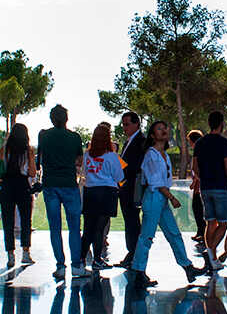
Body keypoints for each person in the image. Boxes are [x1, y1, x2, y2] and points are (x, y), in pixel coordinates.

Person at [130, 120, 204, 288]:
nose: (163, 131)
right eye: (158, 128)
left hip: (161, 199)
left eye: (165, 128)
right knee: (147, 236)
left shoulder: (165, 155)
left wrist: (167, 197)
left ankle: (187, 267)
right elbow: (155, 182)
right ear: (152, 135)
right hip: (155, 197)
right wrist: (171, 197)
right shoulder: (151, 154)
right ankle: (139, 271)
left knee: (173, 233)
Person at [38, 104, 85, 279]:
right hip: (69, 184)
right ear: (67, 119)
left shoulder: (44, 136)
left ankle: (60, 266)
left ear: (51, 118)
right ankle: (76, 266)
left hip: (50, 184)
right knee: (74, 227)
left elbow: (41, 159)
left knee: (55, 227)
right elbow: (79, 162)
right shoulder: (74, 137)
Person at [192, 111, 227, 271]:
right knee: (224, 222)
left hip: (206, 187)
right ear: (221, 124)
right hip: (222, 187)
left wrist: (203, 178)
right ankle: (211, 253)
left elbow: (194, 166)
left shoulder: (200, 143)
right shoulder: (225, 143)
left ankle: (212, 259)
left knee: (211, 222)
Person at [0, 123, 38, 267]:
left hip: (7, 185)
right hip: (23, 186)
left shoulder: (5, 149)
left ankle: (10, 255)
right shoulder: (27, 150)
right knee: (25, 221)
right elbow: (32, 173)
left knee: (8, 222)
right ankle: (26, 253)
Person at [81, 123, 124, 273]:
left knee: (87, 228)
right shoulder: (112, 156)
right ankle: (97, 260)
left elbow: (84, 173)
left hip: (90, 192)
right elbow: (119, 176)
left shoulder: (87, 154)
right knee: (99, 229)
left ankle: (81, 260)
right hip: (106, 193)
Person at [116, 111, 146, 268]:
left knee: (133, 221)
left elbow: (136, 165)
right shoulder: (128, 142)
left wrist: (120, 173)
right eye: (123, 125)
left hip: (134, 187)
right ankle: (131, 252)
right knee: (129, 221)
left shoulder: (142, 141)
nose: (124, 128)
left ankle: (134, 254)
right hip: (125, 187)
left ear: (136, 124)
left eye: (127, 124)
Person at [186, 129, 206, 244]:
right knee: (196, 210)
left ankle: (202, 233)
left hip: (200, 188)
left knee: (199, 211)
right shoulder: (198, 151)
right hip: (197, 188)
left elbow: (197, 169)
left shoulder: (199, 151)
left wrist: (194, 183)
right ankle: (200, 232)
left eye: (190, 141)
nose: (189, 144)